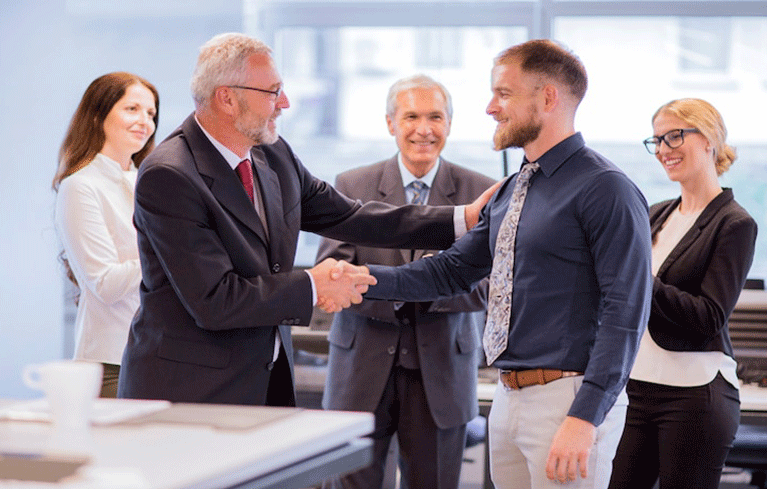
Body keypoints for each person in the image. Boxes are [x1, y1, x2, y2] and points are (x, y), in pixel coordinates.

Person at [116, 33, 495, 407]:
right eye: (272, 91)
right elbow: (217, 300)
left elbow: (351, 216)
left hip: (264, 379)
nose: (285, 102)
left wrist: (462, 218)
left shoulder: (272, 153)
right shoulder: (169, 175)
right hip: (188, 394)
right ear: (227, 98)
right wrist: (314, 286)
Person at [349, 39, 652, 488]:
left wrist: (585, 416)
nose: (491, 107)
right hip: (509, 398)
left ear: (547, 97)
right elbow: (450, 270)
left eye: (503, 94)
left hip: (567, 401)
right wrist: (360, 280)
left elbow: (626, 313)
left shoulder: (606, 188)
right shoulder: (513, 188)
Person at [317, 74, 496, 489]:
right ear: (390, 123)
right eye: (411, 116)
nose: (423, 129)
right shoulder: (351, 186)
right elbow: (333, 273)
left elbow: (489, 286)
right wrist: (416, 281)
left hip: (441, 376)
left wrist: (422, 284)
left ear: (449, 124)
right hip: (360, 371)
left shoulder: (480, 192)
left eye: (435, 116)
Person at [608, 99, 757, 489]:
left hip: (694, 396)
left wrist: (640, 278)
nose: (663, 149)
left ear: (709, 139)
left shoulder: (735, 223)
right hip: (635, 388)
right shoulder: (654, 213)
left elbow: (708, 316)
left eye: (675, 135)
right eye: (656, 139)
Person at [53, 72, 159, 397]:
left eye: (151, 114)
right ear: (98, 114)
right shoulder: (80, 186)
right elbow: (105, 285)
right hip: (112, 362)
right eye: (132, 109)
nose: (145, 121)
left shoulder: (152, 181)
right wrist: (169, 248)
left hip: (163, 356)